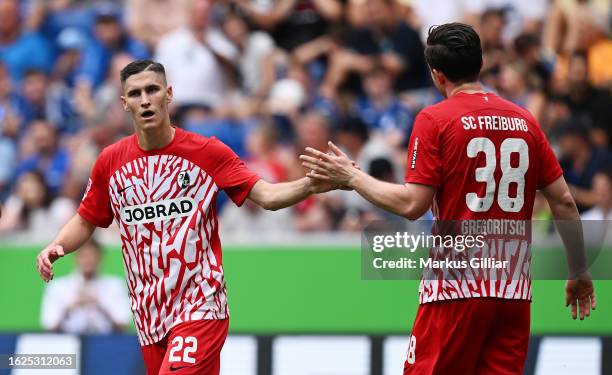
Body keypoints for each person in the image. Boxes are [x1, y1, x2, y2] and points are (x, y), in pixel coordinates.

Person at [301, 23, 596, 374]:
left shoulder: (435, 119)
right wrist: (578, 269)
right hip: (513, 293)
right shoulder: (525, 120)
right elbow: (563, 202)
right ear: (481, 63)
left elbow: (413, 205)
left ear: (437, 75)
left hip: (457, 288)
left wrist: (352, 177)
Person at [35, 59, 337, 375]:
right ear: (125, 104)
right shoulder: (110, 161)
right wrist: (57, 246)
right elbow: (86, 219)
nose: (146, 99)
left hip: (200, 305)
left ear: (169, 94)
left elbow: (268, 196)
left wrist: (309, 184)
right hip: (149, 314)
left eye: (152, 90)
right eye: (136, 94)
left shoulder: (207, 152)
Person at [40, 239, 130, 334]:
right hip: (69, 343)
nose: (88, 260)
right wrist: (71, 306)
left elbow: (124, 326)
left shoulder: (115, 286)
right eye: (84, 255)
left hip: (106, 343)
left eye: (92, 255)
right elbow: (49, 326)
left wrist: (99, 306)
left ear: (100, 258)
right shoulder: (57, 287)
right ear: (76, 258)